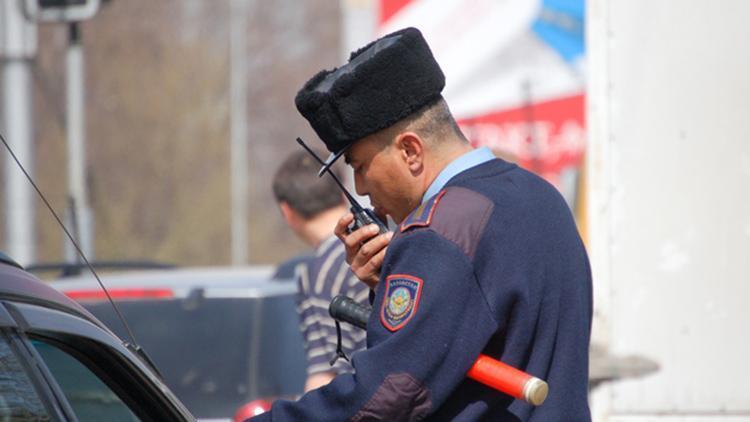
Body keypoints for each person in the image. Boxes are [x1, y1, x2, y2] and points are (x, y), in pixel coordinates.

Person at [253, 27, 592, 421]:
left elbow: (389, 394)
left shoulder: (441, 233)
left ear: (411, 151)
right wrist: (387, 287)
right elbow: (481, 337)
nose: (361, 189)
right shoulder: (538, 196)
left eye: (360, 166)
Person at [272, 150, 370, 392]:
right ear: (342, 193)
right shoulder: (379, 240)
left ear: (287, 211)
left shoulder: (318, 274)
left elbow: (325, 375)